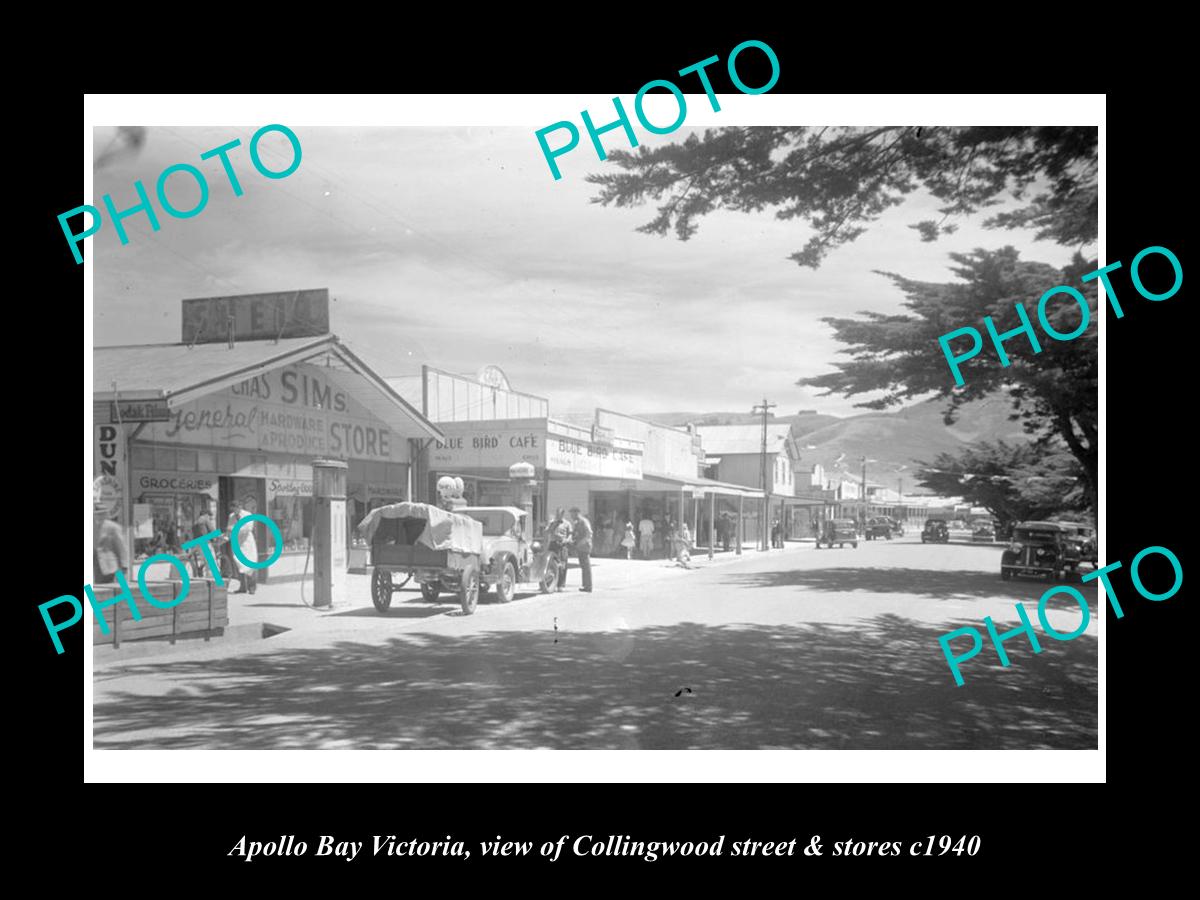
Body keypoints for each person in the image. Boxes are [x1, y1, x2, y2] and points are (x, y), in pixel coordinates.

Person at [227, 497, 259, 594]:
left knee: (250, 565)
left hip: (247, 542)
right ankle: (242, 587)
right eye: (232, 509)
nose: (234, 511)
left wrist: (234, 529)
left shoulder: (247, 515)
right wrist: (227, 535)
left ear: (240, 507)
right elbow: (229, 528)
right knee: (239, 564)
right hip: (237, 543)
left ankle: (252, 587)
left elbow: (247, 528)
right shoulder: (231, 516)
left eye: (236, 508)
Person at [93, 502, 129, 585]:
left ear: (106, 515)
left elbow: (122, 547)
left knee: (112, 589)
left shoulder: (113, 527)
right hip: (96, 566)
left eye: (101, 514)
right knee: (100, 591)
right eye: (96, 514)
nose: (99, 517)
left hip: (110, 566)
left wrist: (124, 565)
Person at [569, 507, 593, 592]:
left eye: (572, 514)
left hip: (585, 546)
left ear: (577, 513)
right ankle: (585, 585)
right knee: (583, 566)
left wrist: (581, 542)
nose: (571, 516)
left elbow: (589, 533)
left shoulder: (584, 521)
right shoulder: (577, 523)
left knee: (586, 566)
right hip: (580, 546)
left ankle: (588, 586)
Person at [548, 508, 572, 591]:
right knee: (551, 564)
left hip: (562, 545)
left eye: (560, 514)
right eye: (557, 514)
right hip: (553, 544)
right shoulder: (552, 522)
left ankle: (561, 585)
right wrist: (553, 524)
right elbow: (547, 531)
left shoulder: (567, 524)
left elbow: (570, 535)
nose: (558, 516)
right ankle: (551, 583)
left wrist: (567, 540)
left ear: (562, 515)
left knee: (562, 565)